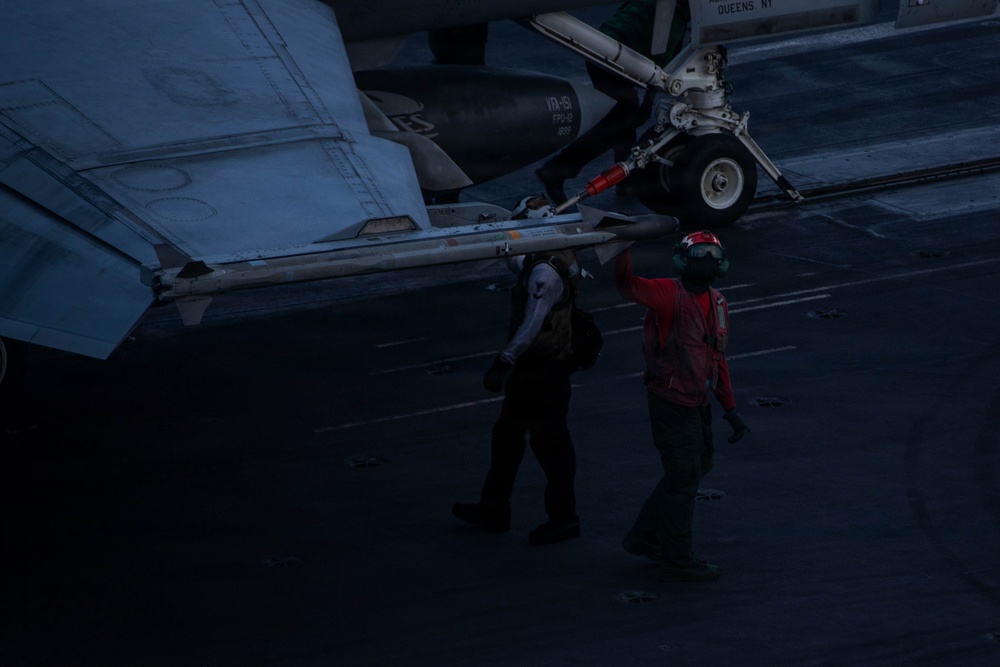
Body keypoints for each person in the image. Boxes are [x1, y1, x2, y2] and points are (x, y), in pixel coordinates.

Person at [614, 230, 748, 581]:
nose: (706, 260)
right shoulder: (667, 294)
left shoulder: (718, 303)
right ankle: (677, 556)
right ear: (681, 261)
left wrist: (729, 409)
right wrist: (622, 245)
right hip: (671, 402)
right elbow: (627, 286)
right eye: (700, 253)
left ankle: (644, 537)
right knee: (685, 478)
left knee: (693, 468)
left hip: (697, 402)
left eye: (711, 254)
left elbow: (718, 360)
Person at [453, 212, 583, 545]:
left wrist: (503, 361)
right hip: (538, 369)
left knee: (550, 445)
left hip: (544, 372)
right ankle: (494, 507)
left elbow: (533, 323)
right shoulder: (552, 258)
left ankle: (563, 519)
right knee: (507, 438)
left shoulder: (543, 273)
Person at [536, 0, 691, 204]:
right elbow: (661, 65)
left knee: (623, 114)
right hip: (613, 58)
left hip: (602, 46)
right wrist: (647, 105)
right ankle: (558, 169)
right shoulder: (673, 20)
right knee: (621, 119)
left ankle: (626, 180)